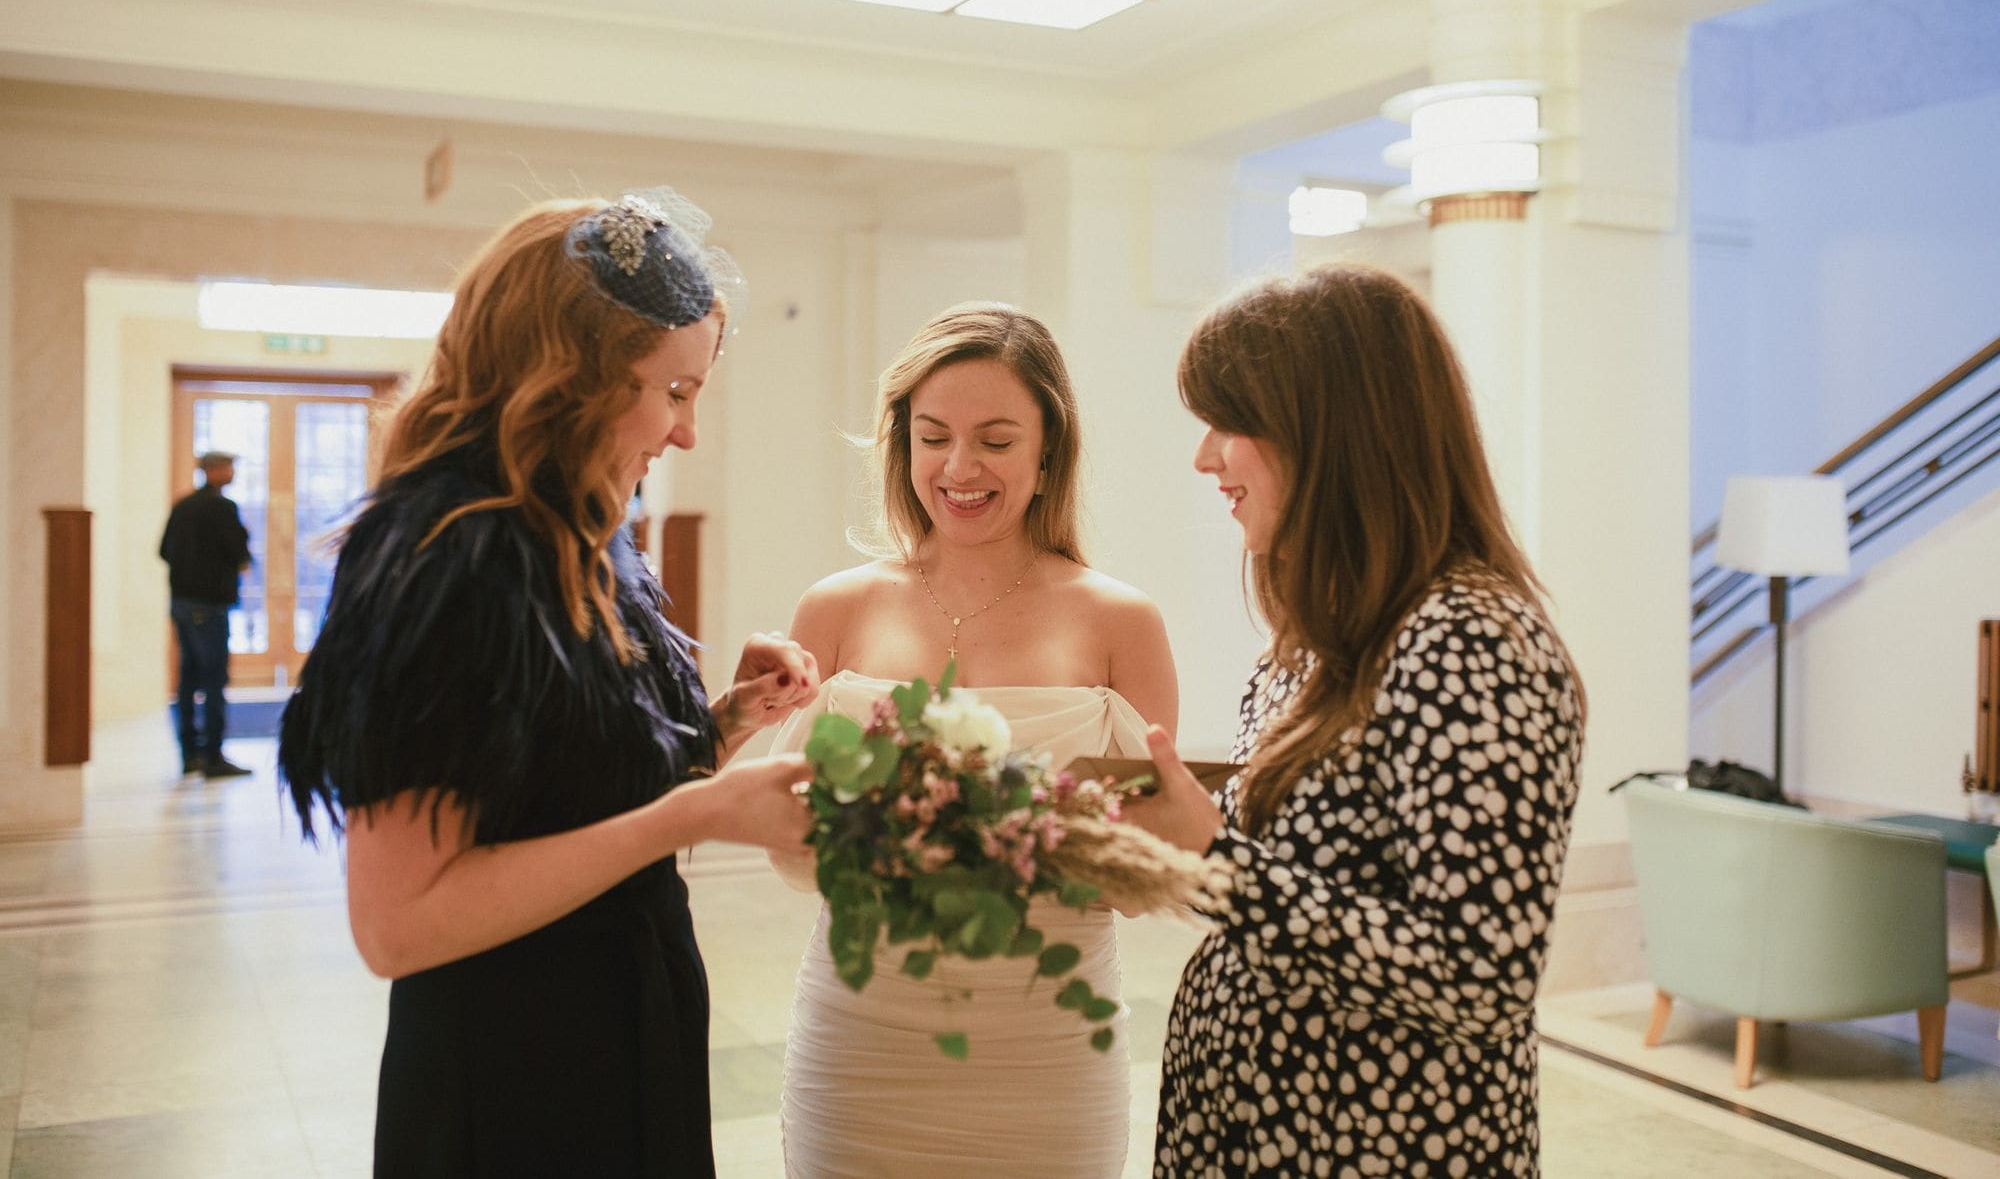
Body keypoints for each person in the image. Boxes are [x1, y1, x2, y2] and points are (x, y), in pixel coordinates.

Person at [277, 190, 819, 1178]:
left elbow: (567, 787)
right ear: (573, 375)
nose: (687, 433)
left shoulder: (577, 527)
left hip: (625, 1022)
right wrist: (695, 813)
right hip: (513, 1065)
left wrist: (725, 721)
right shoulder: (446, 558)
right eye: (675, 390)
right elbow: (397, 925)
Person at [1128, 264, 1586, 1177]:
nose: (1206, 458)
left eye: (1231, 423)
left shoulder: (1468, 639)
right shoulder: (1318, 636)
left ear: (1329, 433)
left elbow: (1479, 977)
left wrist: (1216, 861)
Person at [769, 302, 1179, 1178]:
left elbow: (1146, 874)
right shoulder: (835, 608)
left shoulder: (1121, 622)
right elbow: (788, 844)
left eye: (995, 440)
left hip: (1046, 1046)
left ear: (1048, 451)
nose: (959, 468)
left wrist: (1036, 841)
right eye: (933, 437)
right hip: (862, 1041)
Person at [159, 449, 254, 778]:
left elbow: (164, 550)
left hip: (182, 602)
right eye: (227, 467)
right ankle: (213, 756)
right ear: (212, 470)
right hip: (209, 604)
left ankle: (189, 755)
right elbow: (239, 552)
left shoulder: (182, 506)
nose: (232, 473)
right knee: (214, 678)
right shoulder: (221, 508)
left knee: (188, 678)